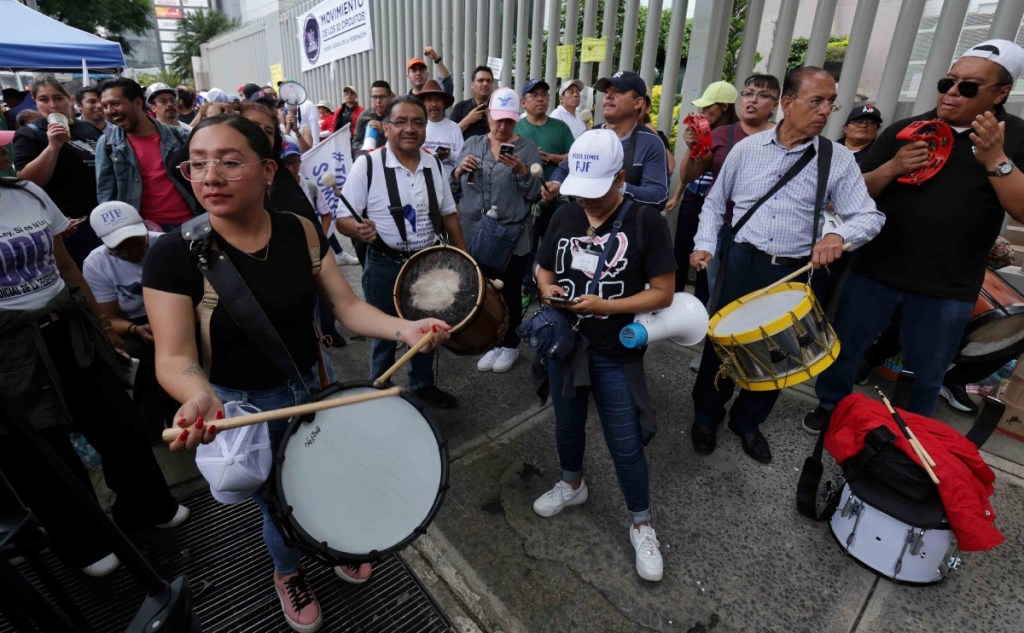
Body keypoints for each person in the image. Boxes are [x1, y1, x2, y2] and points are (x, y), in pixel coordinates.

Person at [143, 114, 451, 632]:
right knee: (282, 507)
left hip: (315, 383)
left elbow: (347, 307)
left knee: (332, 477)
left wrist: (406, 328)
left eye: (228, 161)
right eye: (197, 164)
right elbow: (174, 358)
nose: (209, 176)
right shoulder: (172, 256)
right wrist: (197, 396)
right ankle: (288, 571)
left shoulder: (300, 230)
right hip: (242, 405)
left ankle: (339, 541)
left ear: (268, 171)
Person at [804, 40, 1024, 430]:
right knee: (846, 348)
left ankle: (912, 435)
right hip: (875, 270)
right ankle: (829, 408)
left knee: (927, 369)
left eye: (968, 87)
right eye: (947, 82)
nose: (952, 92)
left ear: (1001, 92)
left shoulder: (1016, 137)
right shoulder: (908, 129)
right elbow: (855, 194)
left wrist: (996, 159)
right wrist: (892, 166)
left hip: (949, 285)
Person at [0, 144, 187, 580]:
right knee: (42, 451)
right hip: (10, 352)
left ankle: (148, 505)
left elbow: (65, 265)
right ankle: (83, 541)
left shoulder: (26, 192)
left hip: (69, 326)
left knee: (119, 421)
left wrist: (103, 329)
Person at [689, 67, 885, 464]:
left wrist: (838, 237)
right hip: (741, 261)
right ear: (788, 104)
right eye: (816, 101)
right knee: (723, 345)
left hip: (795, 271)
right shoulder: (748, 149)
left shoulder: (838, 159)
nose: (826, 110)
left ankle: (747, 421)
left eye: (831, 102)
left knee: (781, 354)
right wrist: (705, 244)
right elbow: (714, 203)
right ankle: (706, 417)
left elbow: (869, 216)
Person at [532, 129, 675, 582]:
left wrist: (606, 307)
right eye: (581, 192)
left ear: (621, 177)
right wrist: (545, 288)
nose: (588, 203)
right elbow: (543, 265)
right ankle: (572, 483)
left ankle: (642, 522)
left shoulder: (646, 221)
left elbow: (664, 293)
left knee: (625, 440)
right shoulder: (565, 215)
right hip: (565, 344)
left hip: (615, 349)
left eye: (598, 192)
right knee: (567, 423)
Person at [338, 96, 469, 409]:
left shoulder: (434, 164)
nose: (410, 128)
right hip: (384, 264)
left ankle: (423, 386)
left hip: (428, 264)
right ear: (386, 127)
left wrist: (466, 259)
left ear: (425, 128)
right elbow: (343, 220)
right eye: (401, 122)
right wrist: (357, 230)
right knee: (383, 333)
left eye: (417, 122)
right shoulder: (367, 164)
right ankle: (380, 393)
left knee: (428, 331)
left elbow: (449, 214)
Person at [453, 87, 542, 374]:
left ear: (517, 119)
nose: (502, 126)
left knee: (510, 291)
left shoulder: (526, 149)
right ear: (489, 115)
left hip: (509, 236)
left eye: (509, 121)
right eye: (498, 119)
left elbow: (535, 195)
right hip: (474, 232)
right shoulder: (473, 143)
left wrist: (521, 171)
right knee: (482, 290)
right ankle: (491, 339)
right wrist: (458, 172)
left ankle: (510, 344)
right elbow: (453, 189)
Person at [83, 201, 176, 441]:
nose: (133, 252)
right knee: (132, 359)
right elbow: (108, 318)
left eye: (137, 243)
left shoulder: (165, 244)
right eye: (121, 249)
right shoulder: (96, 264)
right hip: (133, 323)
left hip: (175, 313)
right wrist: (135, 329)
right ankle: (153, 424)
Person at [669, 77, 764, 305]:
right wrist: (678, 194)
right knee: (682, 251)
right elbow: (689, 170)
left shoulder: (740, 136)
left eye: (708, 105)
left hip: (722, 207)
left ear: (724, 106)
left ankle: (703, 307)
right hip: (695, 196)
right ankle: (675, 302)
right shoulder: (704, 131)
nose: (703, 110)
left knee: (709, 260)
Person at [544, 71, 669, 211]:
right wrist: (556, 182)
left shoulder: (650, 143)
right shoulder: (589, 135)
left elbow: (658, 197)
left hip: (625, 227)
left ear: (638, 102)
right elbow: (564, 168)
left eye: (619, 91)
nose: (608, 96)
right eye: (607, 92)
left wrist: (616, 187)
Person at [13, 78, 104, 266]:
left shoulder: (87, 128)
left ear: (69, 99)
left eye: (58, 98)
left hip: (101, 217)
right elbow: (27, 180)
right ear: (36, 103)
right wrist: (54, 146)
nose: (52, 105)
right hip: (69, 226)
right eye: (44, 100)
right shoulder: (30, 134)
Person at [96, 77, 198, 231]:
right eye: (105, 106)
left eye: (115, 104)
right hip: (144, 232)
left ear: (137, 103)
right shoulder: (107, 145)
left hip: (192, 224)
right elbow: (106, 196)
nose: (109, 111)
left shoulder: (180, 136)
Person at [420, 79, 462, 177]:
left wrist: (449, 154)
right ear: (422, 104)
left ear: (444, 103)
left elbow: (462, 158)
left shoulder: (454, 128)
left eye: (438, 100)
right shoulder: (418, 127)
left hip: (449, 185)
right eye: (429, 100)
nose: (434, 104)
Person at [451, 66, 495, 140]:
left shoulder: (497, 108)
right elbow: (450, 135)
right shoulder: (460, 107)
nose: (485, 84)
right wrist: (468, 120)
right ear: (472, 85)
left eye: (488, 81)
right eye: (481, 80)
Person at [352, 80, 393, 153]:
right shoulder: (364, 116)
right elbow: (355, 142)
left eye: (382, 97)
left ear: (389, 97)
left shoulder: (396, 116)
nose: (378, 101)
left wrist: (384, 131)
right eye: (374, 97)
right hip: (368, 158)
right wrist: (366, 147)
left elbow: (401, 143)